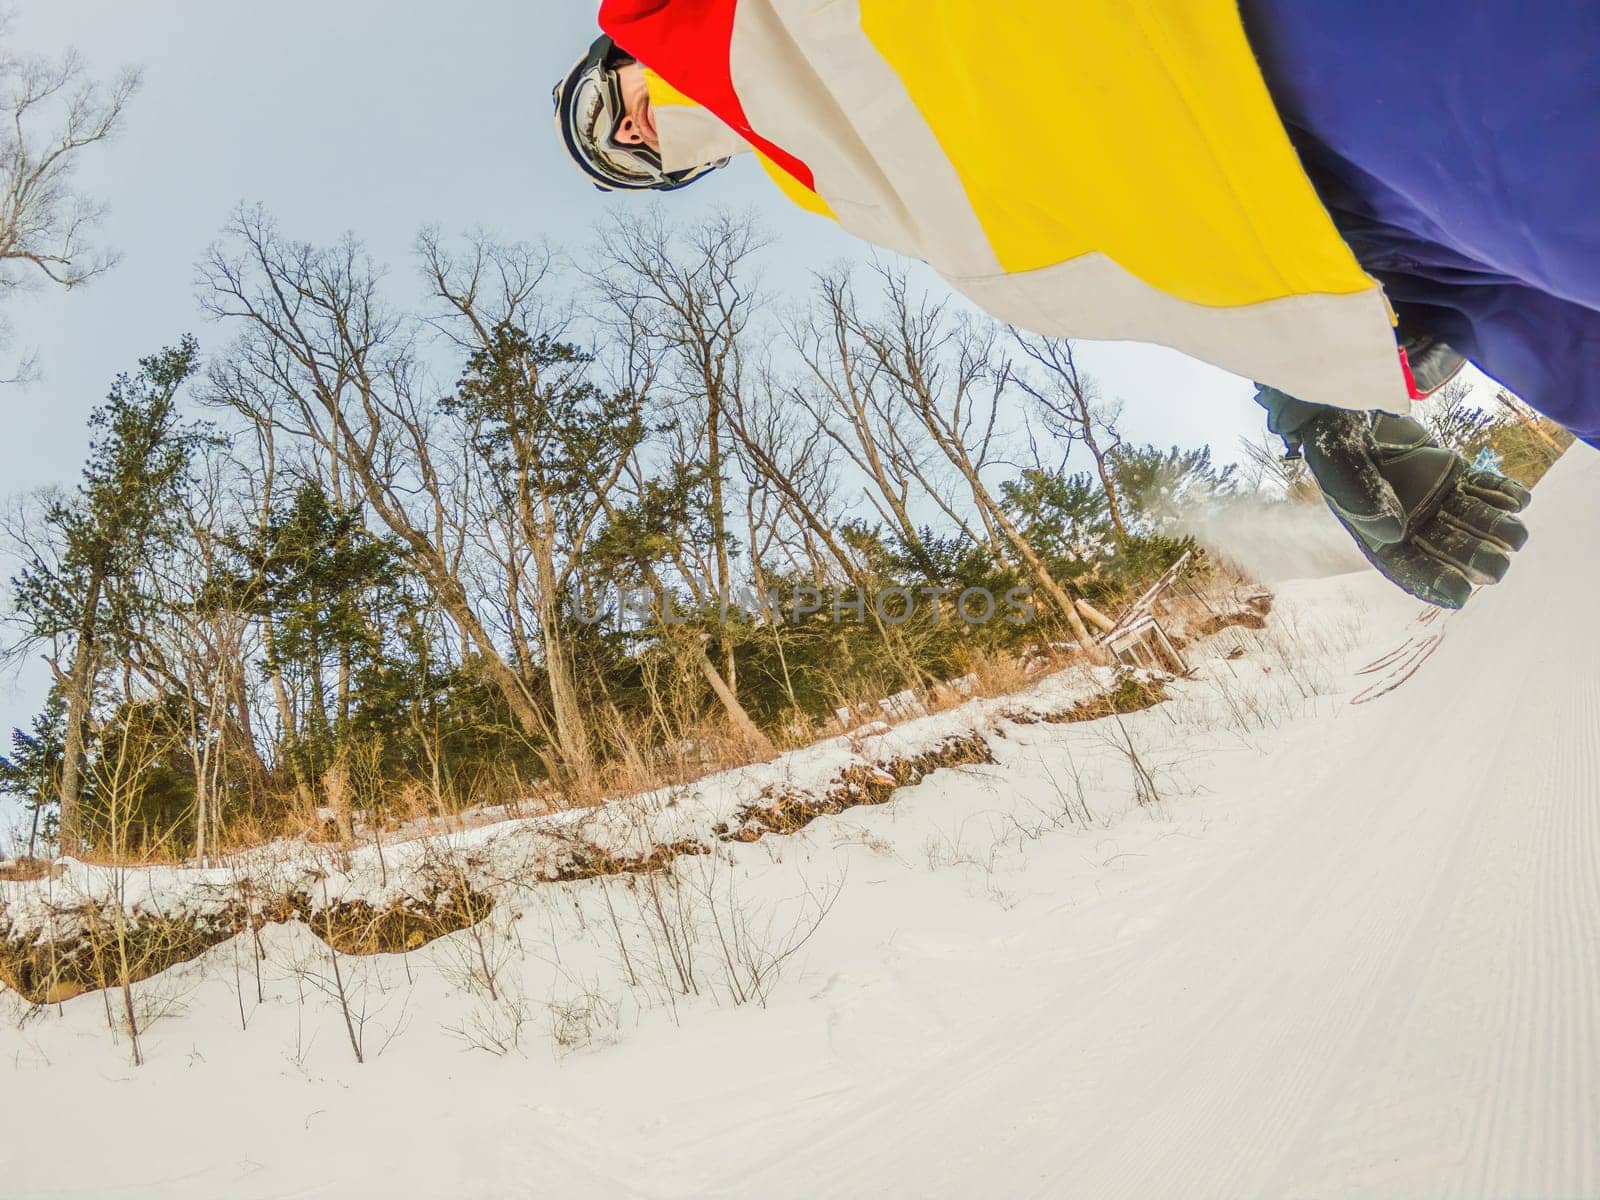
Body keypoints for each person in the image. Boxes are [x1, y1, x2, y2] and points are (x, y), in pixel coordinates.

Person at [553, 6, 1596, 609]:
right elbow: (1095, 186)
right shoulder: (832, 166)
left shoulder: (696, 26)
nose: (636, 141)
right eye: (630, 166)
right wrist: (1315, 389)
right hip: (1329, 212)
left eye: (606, 114)